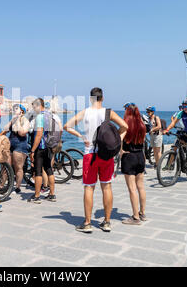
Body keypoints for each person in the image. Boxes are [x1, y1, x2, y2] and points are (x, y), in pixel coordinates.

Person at [64, 88, 128, 233]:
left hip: (90, 154)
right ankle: (106, 222)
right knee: (107, 187)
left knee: (89, 188)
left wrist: (82, 137)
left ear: (91, 99)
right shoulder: (108, 112)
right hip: (106, 155)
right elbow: (125, 126)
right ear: (102, 98)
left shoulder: (85, 112)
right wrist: (116, 141)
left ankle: (87, 223)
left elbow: (66, 126)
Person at [121, 104, 147, 225]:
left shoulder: (125, 124)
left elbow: (119, 139)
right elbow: (144, 141)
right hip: (140, 156)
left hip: (129, 157)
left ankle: (135, 217)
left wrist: (121, 151)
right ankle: (142, 213)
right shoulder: (142, 125)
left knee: (132, 188)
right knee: (140, 186)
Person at [28, 98, 56, 204]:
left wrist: (32, 150)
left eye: (34, 107)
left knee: (38, 171)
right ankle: (52, 194)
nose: (34, 110)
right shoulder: (49, 114)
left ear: (39, 106)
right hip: (49, 146)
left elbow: (39, 134)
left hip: (41, 147)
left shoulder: (40, 116)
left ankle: (37, 196)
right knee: (49, 169)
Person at [1, 104, 30, 194]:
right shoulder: (13, 120)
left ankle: (17, 187)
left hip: (20, 145)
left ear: (22, 111)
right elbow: (5, 130)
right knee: (5, 166)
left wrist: (17, 120)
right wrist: (11, 121)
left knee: (18, 167)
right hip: (10, 144)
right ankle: (2, 185)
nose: (14, 110)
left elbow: (22, 133)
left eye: (16, 109)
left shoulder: (25, 121)